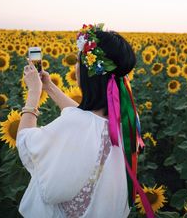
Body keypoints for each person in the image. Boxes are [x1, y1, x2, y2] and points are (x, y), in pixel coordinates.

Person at [16, 24, 154, 218]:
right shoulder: (128, 118)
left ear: (90, 74)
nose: (75, 66)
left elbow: (25, 141)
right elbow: (88, 121)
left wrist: (33, 93)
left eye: (79, 60)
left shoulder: (77, 124)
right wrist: (49, 87)